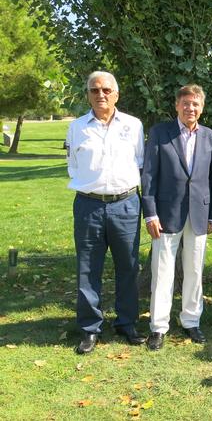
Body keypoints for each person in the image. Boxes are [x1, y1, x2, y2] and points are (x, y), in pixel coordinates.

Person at [65, 71, 145, 354]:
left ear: (116, 94)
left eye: (106, 90)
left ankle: (126, 323)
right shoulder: (76, 127)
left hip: (125, 205)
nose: (101, 94)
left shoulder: (133, 126)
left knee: (128, 266)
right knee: (88, 268)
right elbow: (73, 165)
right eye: (94, 90)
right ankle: (90, 328)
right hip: (88, 205)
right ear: (87, 95)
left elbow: (139, 162)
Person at [141, 84, 212, 351]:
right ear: (177, 105)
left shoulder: (210, 137)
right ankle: (158, 327)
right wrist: (150, 213)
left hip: (199, 213)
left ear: (202, 108)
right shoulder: (160, 133)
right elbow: (148, 175)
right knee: (162, 271)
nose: (190, 108)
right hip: (165, 213)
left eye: (195, 104)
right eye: (185, 103)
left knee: (195, 270)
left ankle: (191, 320)